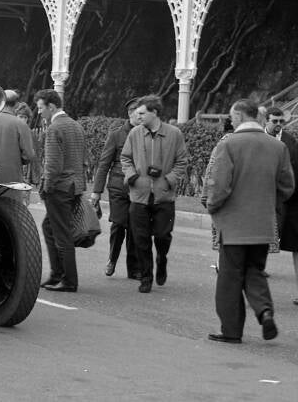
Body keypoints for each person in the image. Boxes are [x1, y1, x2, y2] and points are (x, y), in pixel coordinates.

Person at [203, 99, 294, 343]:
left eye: (232, 117)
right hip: (263, 223)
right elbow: (287, 186)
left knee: (230, 277)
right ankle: (264, 311)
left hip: (233, 224)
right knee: (255, 270)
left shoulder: (229, 144)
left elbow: (219, 185)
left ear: (241, 116)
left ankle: (231, 330)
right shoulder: (277, 147)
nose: (230, 121)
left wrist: (212, 206)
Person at [121, 95, 188, 293]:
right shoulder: (134, 133)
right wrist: (131, 175)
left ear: (154, 113)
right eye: (137, 113)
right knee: (140, 239)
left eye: (142, 113)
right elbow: (125, 158)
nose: (137, 116)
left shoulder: (174, 134)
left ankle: (162, 259)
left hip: (163, 196)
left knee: (162, 236)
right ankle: (146, 276)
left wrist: (169, 179)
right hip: (139, 195)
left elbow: (182, 162)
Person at [36, 89, 86, 293]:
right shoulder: (76, 125)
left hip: (59, 187)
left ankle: (68, 280)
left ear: (52, 106)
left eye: (41, 108)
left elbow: (53, 165)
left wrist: (47, 188)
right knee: (49, 227)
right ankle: (57, 274)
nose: (39, 112)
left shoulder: (54, 128)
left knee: (61, 233)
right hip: (75, 186)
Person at [90, 98, 141, 280]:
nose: (142, 116)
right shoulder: (117, 135)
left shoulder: (147, 134)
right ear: (130, 113)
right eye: (138, 112)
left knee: (135, 228)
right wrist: (96, 191)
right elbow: (104, 164)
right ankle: (112, 259)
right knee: (119, 224)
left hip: (139, 189)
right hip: (119, 187)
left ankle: (133, 268)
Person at [264, 107, 298, 305]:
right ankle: (253, 286)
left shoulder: (291, 142)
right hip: (262, 200)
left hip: (288, 201)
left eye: (281, 121)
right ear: (266, 121)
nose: (278, 125)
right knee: (261, 242)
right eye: (274, 121)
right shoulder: (258, 140)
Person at [0, 90, 34, 201]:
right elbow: (29, 155)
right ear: (17, 105)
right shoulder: (20, 124)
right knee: (10, 214)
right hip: (12, 182)